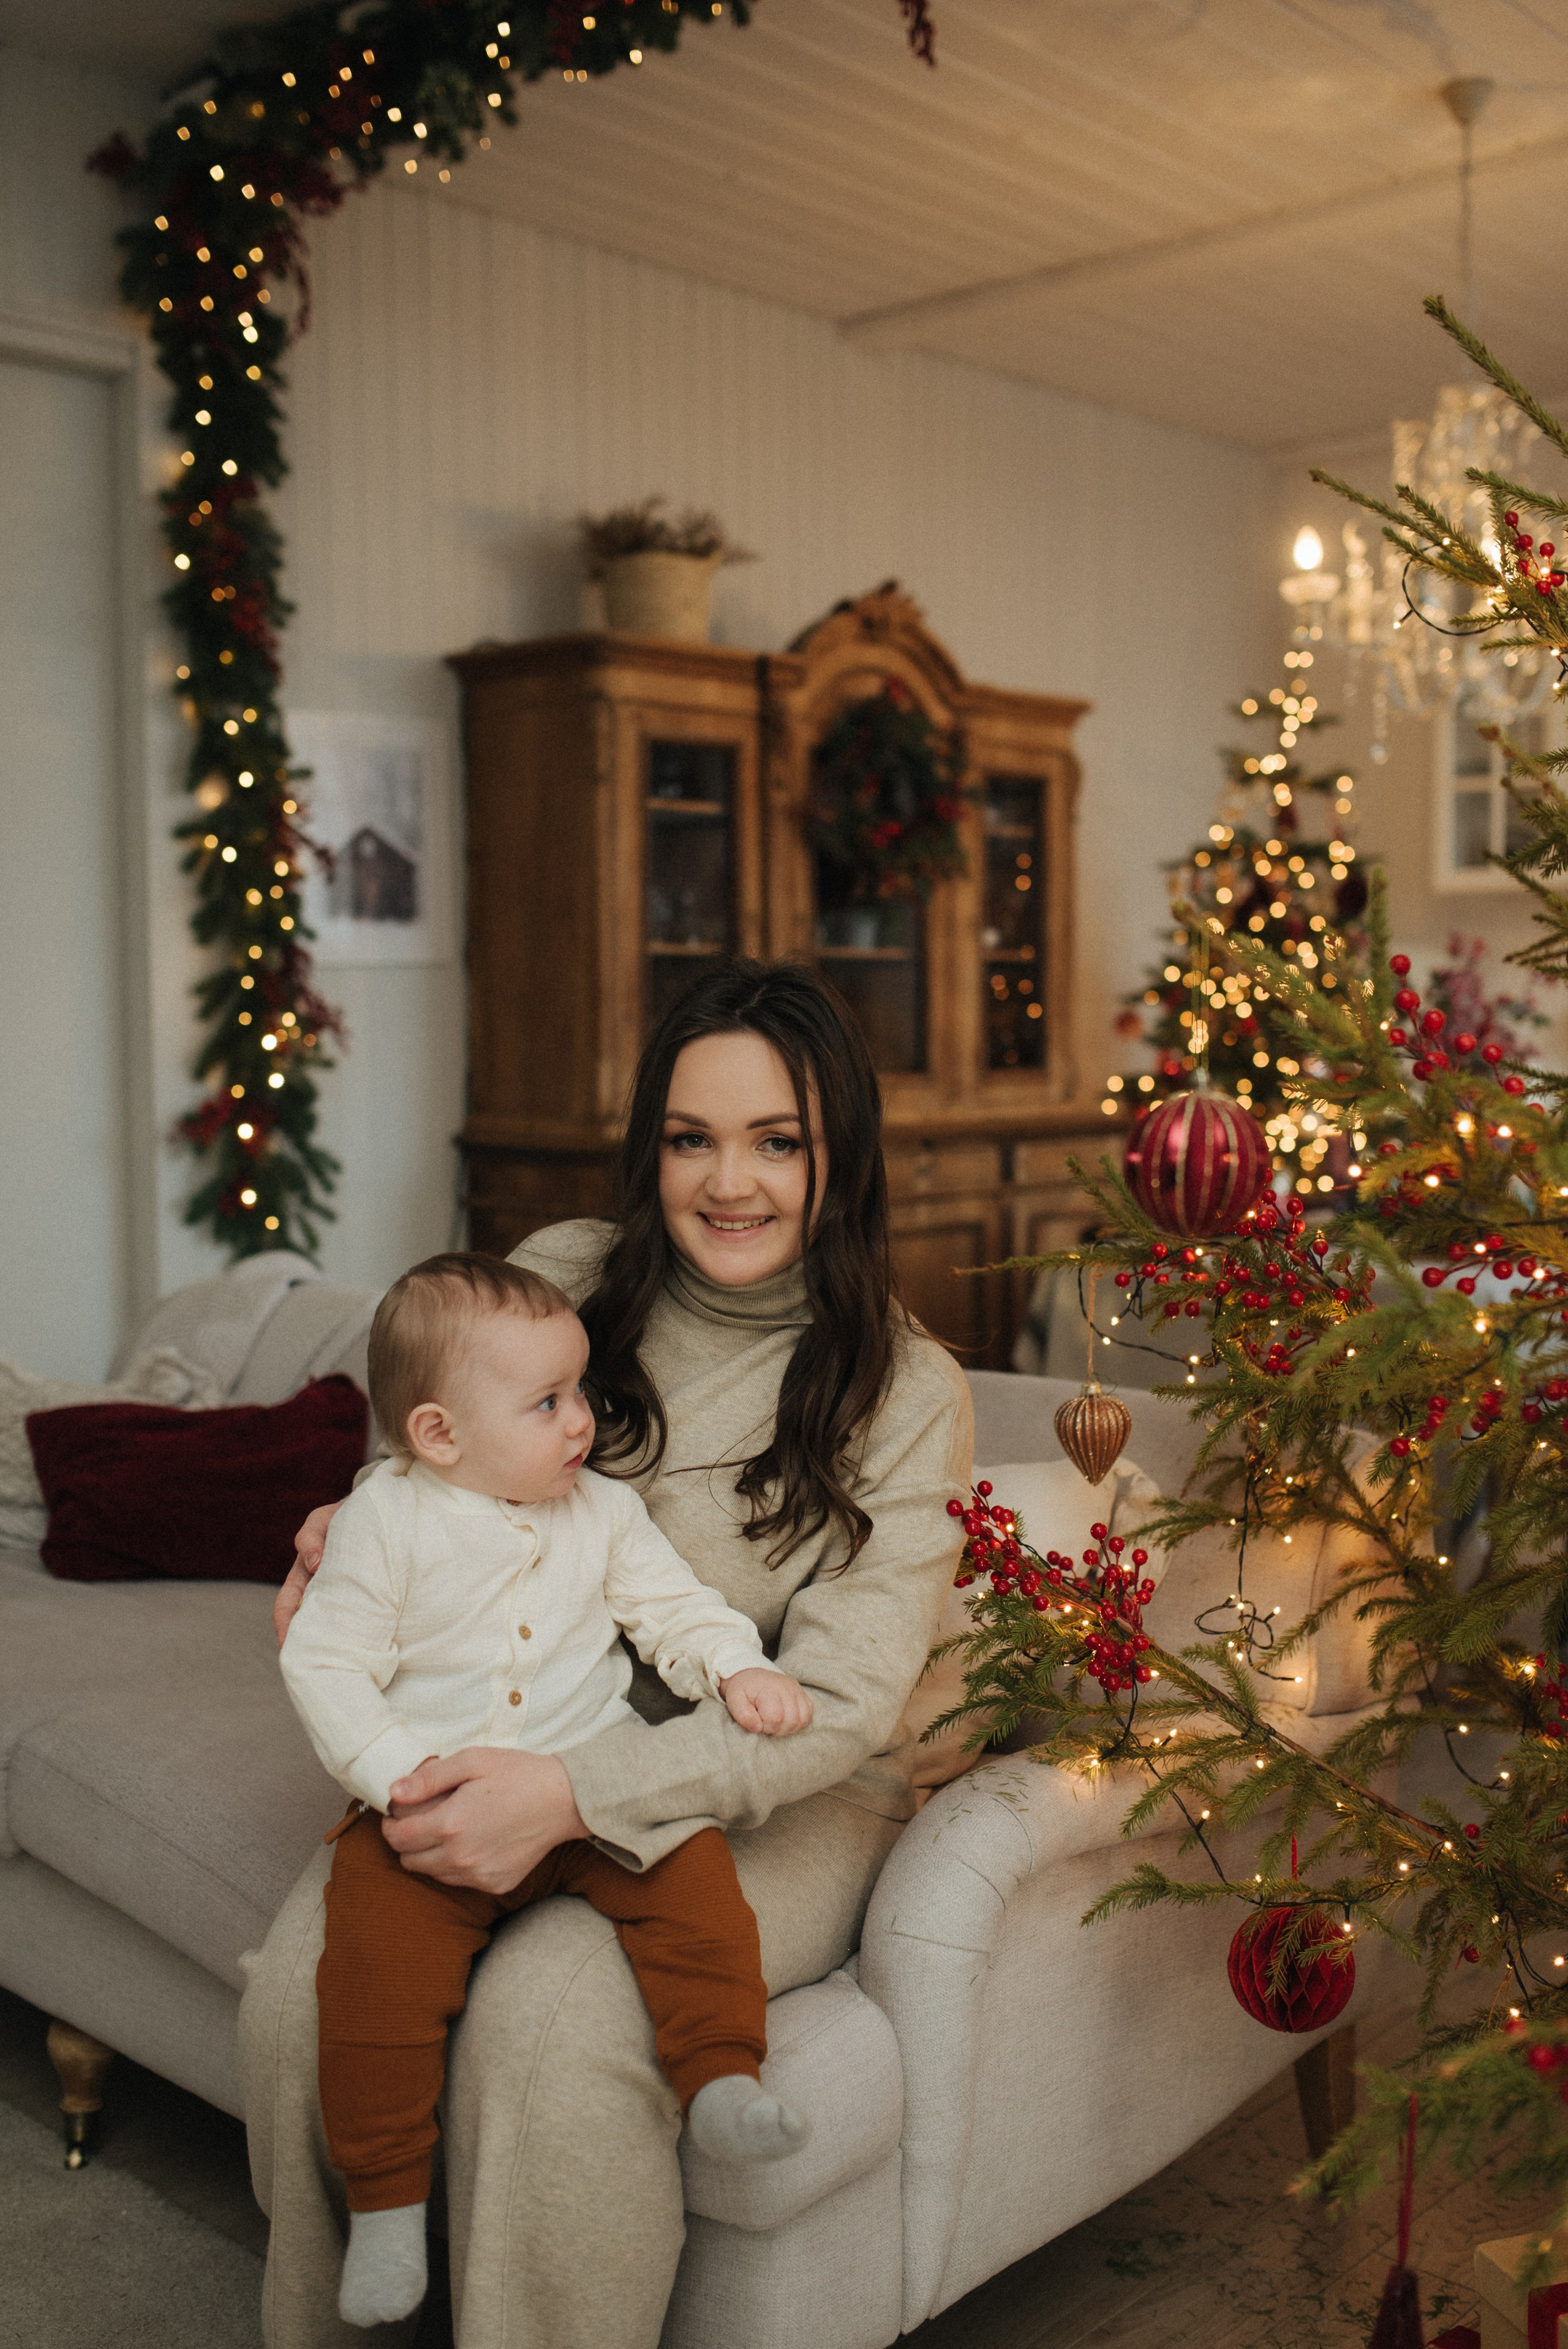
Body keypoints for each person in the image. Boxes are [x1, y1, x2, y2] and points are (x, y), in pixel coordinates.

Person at [242, 957, 974, 2349]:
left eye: (778, 1141)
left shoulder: (900, 1386)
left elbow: (839, 1706)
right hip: (515, 1723)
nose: (729, 1182)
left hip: (772, 1775)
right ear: (651, 1145)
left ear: (842, 1154)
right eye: (691, 1136)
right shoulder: (569, 1273)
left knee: (551, 2029)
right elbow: (426, 1453)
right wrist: (345, 1528)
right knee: (297, 1993)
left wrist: (575, 1794)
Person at [279, 1251, 815, 2329]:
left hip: (588, 1781)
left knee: (698, 1887)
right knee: (371, 1987)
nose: (583, 1423)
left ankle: (721, 2080)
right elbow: (324, 1665)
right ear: (439, 1436)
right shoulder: (383, 1524)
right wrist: (398, 1778)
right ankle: (386, 2205)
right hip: (427, 1813)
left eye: (580, 1393)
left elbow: (674, 1603)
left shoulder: (602, 1512)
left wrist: (736, 1668)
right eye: (549, 1404)